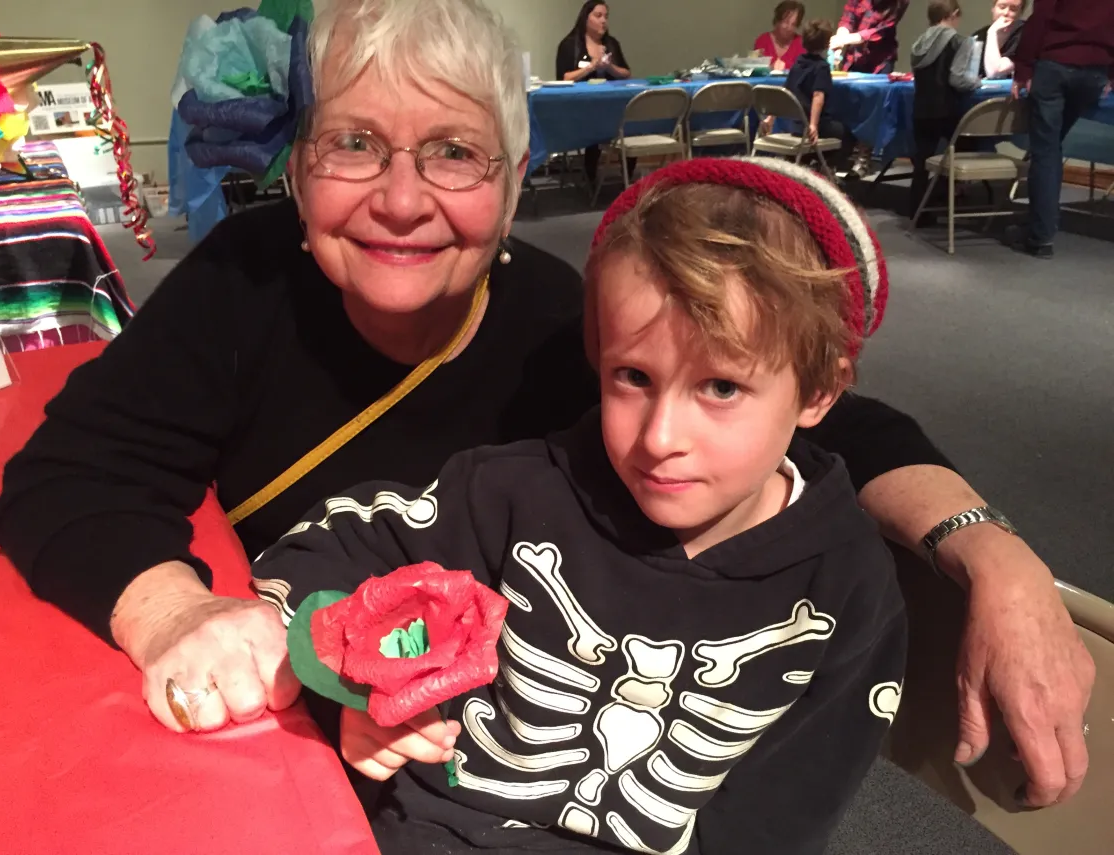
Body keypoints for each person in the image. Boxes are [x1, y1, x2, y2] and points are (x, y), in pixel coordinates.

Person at [0, 0, 1094, 816]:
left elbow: (791, 404)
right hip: (292, 728)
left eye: (456, 153)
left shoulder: (565, 328)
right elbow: (69, 477)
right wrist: (175, 615)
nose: (402, 197)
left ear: (517, 181)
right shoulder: (246, 275)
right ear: (300, 163)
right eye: (354, 143)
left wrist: (989, 552)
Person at [251, 156, 908, 854]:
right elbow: (321, 556)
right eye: (633, 376)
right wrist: (358, 679)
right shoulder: (507, 494)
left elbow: (781, 821)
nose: (660, 438)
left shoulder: (848, 588)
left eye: (720, 387)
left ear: (817, 393)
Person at [1007, 0, 1114, 257]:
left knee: (1046, 151)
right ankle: (1040, 223)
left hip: (1054, 66)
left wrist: (1023, 68)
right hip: (1094, 71)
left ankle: (1041, 236)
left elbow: (1041, 18)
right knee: (1050, 149)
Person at [909, 0, 983, 224]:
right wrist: (977, 82)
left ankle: (916, 210)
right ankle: (940, 193)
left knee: (922, 160)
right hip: (947, 110)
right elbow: (957, 78)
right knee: (969, 144)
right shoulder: (960, 42)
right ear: (955, 14)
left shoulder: (919, 43)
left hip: (921, 109)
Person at [555, 1, 632, 184]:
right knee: (593, 129)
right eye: (598, 16)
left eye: (606, 17)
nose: (603, 21)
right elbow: (564, 78)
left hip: (610, 108)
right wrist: (592, 66)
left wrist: (610, 67)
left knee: (629, 127)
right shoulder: (570, 45)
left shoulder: (612, 44)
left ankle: (627, 180)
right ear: (585, 18)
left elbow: (626, 73)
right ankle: (590, 179)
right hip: (580, 109)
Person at [783, 19, 858, 169]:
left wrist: (770, 118)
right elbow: (818, 96)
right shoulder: (822, 67)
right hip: (813, 126)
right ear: (826, 43)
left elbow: (785, 91)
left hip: (796, 125)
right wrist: (813, 125)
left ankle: (808, 160)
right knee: (849, 135)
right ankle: (826, 168)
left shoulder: (798, 63)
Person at [830, 0, 912, 74]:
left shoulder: (900, 2)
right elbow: (848, 18)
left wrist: (845, 39)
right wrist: (840, 38)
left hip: (880, 61)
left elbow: (880, 30)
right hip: (854, 58)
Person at [972, 0, 1028, 78]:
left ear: (1020, 13)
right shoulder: (979, 36)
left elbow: (995, 72)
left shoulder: (1026, 35)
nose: (1006, 13)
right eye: (1002, 7)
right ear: (993, 8)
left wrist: (992, 32)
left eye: (1013, 9)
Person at [754, 1, 807, 72]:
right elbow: (755, 69)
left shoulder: (802, 43)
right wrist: (769, 68)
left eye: (793, 24)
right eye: (786, 22)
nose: (789, 27)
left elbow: (806, 70)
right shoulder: (762, 41)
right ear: (777, 21)